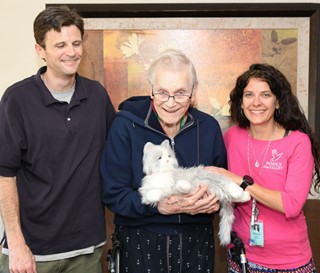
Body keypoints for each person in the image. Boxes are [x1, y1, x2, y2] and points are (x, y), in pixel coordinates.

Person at [0, 5, 115, 273]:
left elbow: (119, 152)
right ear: (40, 51)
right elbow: (5, 176)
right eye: (60, 45)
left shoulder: (97, 96)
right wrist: (17, 245)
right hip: (31, 253)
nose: (71, 52)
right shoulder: (17, 100)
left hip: (87, 250)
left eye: (76, 43)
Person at [100, 48, 227, 273]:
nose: (170, 103)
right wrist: (158, 206)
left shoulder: (208, 128)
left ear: (194, 90)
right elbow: (113, 193)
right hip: (139, 240)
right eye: (162, 92)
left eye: (180, 93)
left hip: (196, 242)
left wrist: (213, 202)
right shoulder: (125, 126)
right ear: (151, 90)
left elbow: (219, 183)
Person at [207, 63, 320, 273]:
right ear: (241, 102)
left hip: (289, 262)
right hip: (241, 257)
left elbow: (292, 204)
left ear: (278, 101)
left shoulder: (297, 142)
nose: (256, 102)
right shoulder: (231, 137)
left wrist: (240, 181)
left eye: (265, 94)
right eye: (249, 94)